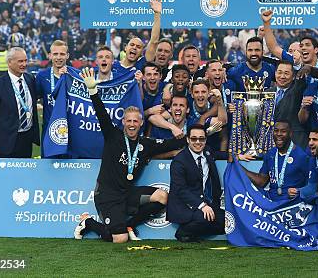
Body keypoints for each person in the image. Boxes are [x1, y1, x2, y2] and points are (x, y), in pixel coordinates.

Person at [73, 67, 185, 243]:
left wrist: (203, 133)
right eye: (129, 121)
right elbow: (101, 113)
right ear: (123, 122)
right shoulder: (113, 135)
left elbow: (174, 143)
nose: (132, 124)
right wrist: (93, 91)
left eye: (136, 121)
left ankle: (131, 224)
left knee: (163, 197)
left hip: (127, 194)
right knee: (119, 239)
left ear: (141, 123)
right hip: (107, 196)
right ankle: (88, 223)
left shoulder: (145, 144)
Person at [168, 124, 228, 242]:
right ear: (188, 139)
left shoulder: (207, 152)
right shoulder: (179, 161)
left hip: (207, 203)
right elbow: (181, 190)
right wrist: (202, 206)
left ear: (205, 140)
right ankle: (183, 233)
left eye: (201, 139)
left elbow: (219, 154)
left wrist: (237, 156)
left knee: (227, 222)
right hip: (186, 206)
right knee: (204, 218)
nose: (198, 142)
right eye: (194, 139)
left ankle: (195, 232)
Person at [0, 47, 40, 164]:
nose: (24, 64)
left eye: (25, 60)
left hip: (26, 140)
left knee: (24, 179)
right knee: (3, 181)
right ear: (9, 62)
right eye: (20, 61)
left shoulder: (30, 79)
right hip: (5, 142)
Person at [240, 120, 311, 202]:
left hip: (291, 203)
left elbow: (312, 186)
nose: (279, 134)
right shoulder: (270, 154)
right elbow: (261, 182)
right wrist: (239, 167)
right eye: (276, 131)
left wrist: (299, 191)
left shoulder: (302, 156)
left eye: (283, 131)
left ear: (291, 134)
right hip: (271, 202)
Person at [112, 0, 162, 75]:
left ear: (142, 52)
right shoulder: (113, 66)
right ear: (125, 48)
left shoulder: (142, 65)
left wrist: (157, 13)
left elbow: (154, 41)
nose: (134, 48)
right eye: (132, 45)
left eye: (138, 47)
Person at [266, 60, 309, 148]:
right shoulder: (266, 93)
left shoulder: (297, 90)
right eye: (279, 72)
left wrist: (297, 64)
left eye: (286, 73)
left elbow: (301, 79)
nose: (282, 76)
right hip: (270, 142)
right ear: (275, 73)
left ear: (293, 76)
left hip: (294, 142)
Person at [36, 40, 69, 147]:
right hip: (49, 130)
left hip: (71, 131)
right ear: (50, 55)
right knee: (48, 163)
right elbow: (33, 99)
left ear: (67, 56)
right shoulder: (42, 76)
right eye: (55, 54)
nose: (58, 57)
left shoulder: (75, 76)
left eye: (62, 54)